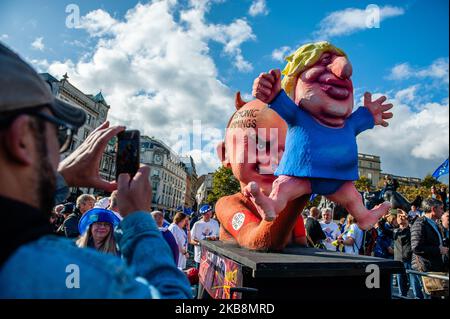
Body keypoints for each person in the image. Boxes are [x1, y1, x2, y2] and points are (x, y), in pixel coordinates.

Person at [0, 42, 191, 298]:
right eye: (59, 134)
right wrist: (138, 219)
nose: (61, 149)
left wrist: (59, 179)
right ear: (22, 137)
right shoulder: (87, 276)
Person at [246, 41, 393, 229]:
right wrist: (271, 92)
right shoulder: (299, 116)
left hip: (338, 181)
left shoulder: (347, 124)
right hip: (300, 176)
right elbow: (277, 99)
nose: (343, 71)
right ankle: (272, 205)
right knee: (282, 187)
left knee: (353, 197)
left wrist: (370, 114)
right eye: (324, 62)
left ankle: (363, 216)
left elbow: (360, 119)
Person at [215, 94, 307, 251]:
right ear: (225, 154)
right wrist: (306, 184)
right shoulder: (228, 204)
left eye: (289, 149)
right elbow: (257, 241)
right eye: (261, 145)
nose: (275, 159)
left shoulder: (291, 209)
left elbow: (302, 248)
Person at [411, 198, 448, 273]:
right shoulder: (420, 224)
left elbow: (436, 242)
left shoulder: (435, 224)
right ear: (433, 209)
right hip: (424, 268)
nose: (443, 211)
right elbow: (416, 248)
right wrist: (438, 250)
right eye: (441, 208)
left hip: (434, 266)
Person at [393, 209, 416, 298]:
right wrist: (383, 218)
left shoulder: (411, 229)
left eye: (402, 217)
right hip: (399, 261)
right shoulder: (395, 231)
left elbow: (416, 222)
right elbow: (382, 230)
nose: (400, 218)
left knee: (414, 284)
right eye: (399, 217)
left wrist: (408, 217)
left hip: (410, 260)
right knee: (401, 286)